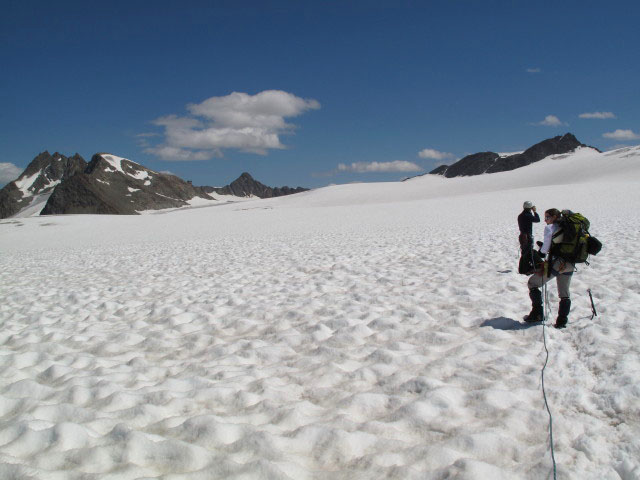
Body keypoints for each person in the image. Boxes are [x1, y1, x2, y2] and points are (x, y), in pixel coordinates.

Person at [524, 208, 573, 328]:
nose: (545, 220)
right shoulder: (568, 227)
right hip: (570, 263)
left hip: (557, 263)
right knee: (564, 294)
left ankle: (537, 314)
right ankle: (562, 321)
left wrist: (540, 251)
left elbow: (545, 249)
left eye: (547, 217)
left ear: (554, 217)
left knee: (533, 283)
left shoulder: (550, 228)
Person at [517, 201, 540, 275]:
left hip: (522, 236)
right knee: (528, 251)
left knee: (524, 251)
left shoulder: (520, 215)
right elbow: (537, 219)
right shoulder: (528, 215)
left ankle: (524, 267)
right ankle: (526, 268)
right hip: (528, 236)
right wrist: (535, 212)